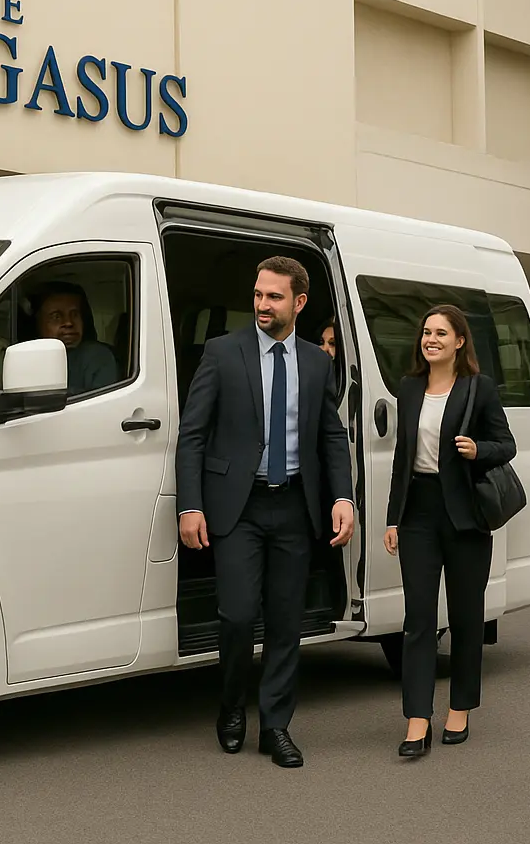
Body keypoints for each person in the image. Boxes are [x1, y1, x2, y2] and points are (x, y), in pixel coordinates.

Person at [176, 256, 356, 769]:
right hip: (238, 508)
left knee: (285, 622)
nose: (262, 304)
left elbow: (330, 436)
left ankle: (275, 725)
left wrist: (342, 497)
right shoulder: (221, 353)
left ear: (298, 303)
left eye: (274, 297)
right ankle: (232, 707)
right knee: (235, 615)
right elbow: (192, 435)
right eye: (258, 294)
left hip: (295, 507)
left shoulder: (317, 362)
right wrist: (191, 505)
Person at [382, 304, 515, 757]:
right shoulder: (409, 388)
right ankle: (417, 719)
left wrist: (479, 449)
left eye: (441, 332)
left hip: (466, 516)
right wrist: (392, 518)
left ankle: (460, 708)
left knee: (464, 618)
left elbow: (507, 444)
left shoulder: (479, 389)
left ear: (460, 341)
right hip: (418, 511)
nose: (431, 339)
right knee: (418, 619)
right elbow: (402, 458)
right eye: (426, 332)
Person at [28, 281, 120, 395]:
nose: (68, 323)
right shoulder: (26, 357)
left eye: (74, 314)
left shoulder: (97, 357)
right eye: (56, 316)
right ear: (37, 322)